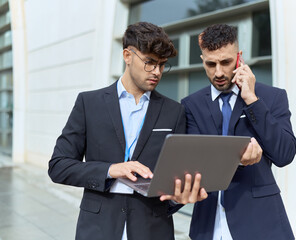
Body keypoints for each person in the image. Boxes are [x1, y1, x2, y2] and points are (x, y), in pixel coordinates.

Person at [48, 22, 207, 240]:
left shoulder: (175, 111)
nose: (157, 72)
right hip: (98, 228)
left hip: (153, 229)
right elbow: (59, 166)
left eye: (162, 65)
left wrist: (179, 197)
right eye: (150, 63)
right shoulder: (89, 103)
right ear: (127, 55)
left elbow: (175, 180)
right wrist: (111, 170)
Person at [181, 24, 296, 240]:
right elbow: (194, 161)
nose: (218, 72)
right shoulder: (190, 105)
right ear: (202, 60)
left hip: (259, 222)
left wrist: (252, 100)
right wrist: (238, 160)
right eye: (210, 64)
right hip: (208, 223)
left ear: (239, 57)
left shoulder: (272, 97)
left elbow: (284, 154)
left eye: (225, 62)